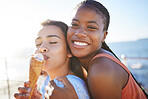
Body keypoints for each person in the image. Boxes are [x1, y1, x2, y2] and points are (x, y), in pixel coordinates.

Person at [49, 0, 148, 99]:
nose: (79, 33)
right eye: (74, 24)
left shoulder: (101, 69)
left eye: (91, 27)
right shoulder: (82, 62)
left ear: (104, 36)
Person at [14, 20, 90, 99]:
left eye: (53, 42)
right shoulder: (47, 81)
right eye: (38, 44)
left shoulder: (71, 85)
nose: (41, 48)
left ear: (69, 50)